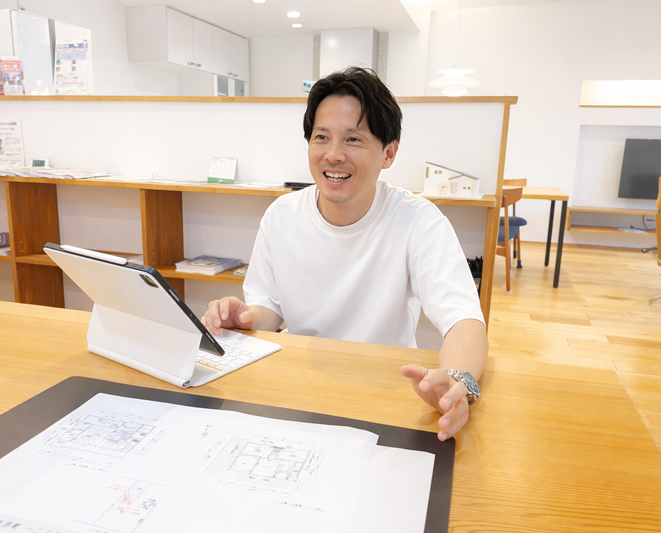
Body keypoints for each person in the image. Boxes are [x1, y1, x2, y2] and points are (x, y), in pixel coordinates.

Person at [202, 67, 488, 442]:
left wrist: (457, 382)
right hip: (300, 387)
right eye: (321, 137)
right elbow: (269, 310)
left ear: (389, 153)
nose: (333, 155)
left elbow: (464, 320)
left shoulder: (418, 221)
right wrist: (245, 318)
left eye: (353, 139)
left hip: (385, 390)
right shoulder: (281, 216)